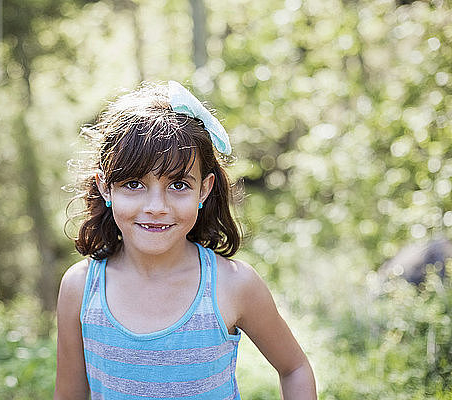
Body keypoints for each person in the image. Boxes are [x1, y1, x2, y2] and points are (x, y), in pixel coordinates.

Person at [54, 81, 316, 399]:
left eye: (178, 184)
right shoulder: (81, 288)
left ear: (203, 190)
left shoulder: (233, 285)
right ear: (106, 188)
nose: (156, 207)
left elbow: (294, 369)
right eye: (134, 183)